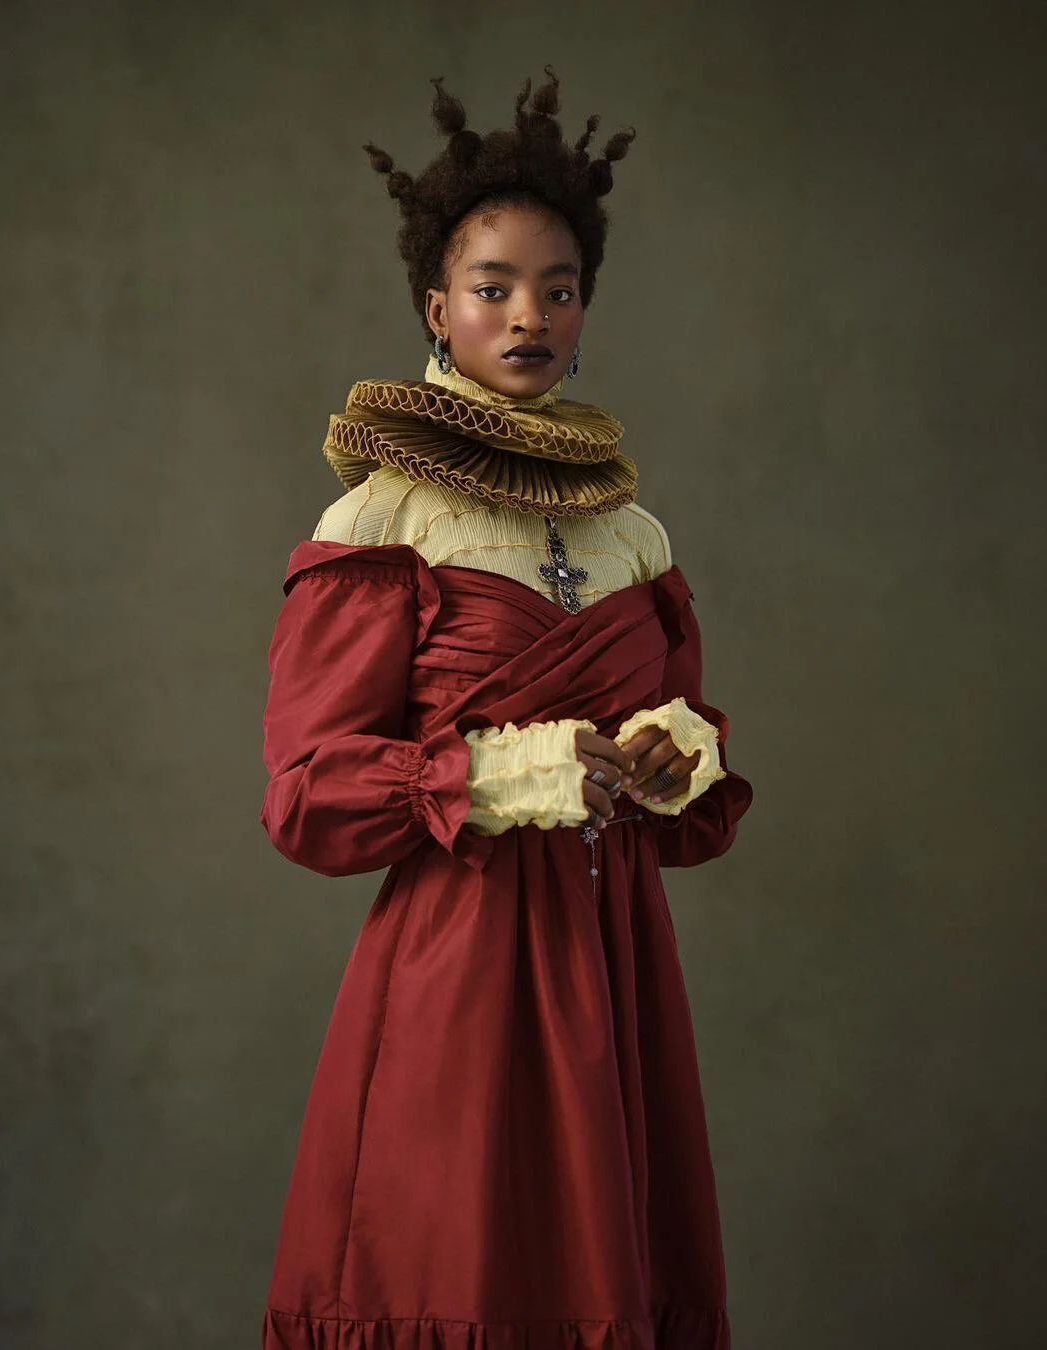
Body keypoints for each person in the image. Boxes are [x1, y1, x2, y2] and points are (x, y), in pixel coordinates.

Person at [258, 66, 754, 1350]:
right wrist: (511, 773)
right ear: (439, 308)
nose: (527, 314)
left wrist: (672, 752)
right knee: (460, 1268)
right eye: (493, 289)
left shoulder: (630, 528)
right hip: (462, 959)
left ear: (585, 309)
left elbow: (697, 766)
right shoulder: (382, 517)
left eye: (557, 288)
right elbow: (307, 795)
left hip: (615, 948)